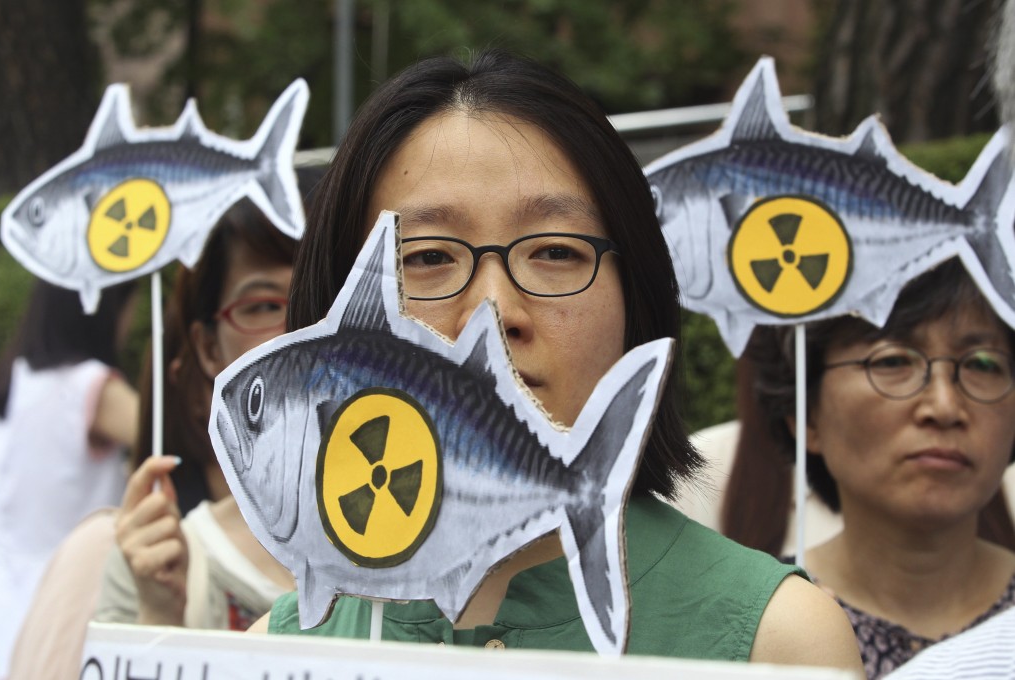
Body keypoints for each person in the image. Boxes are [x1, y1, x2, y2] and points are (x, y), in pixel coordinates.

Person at [248, 49, 862, 670]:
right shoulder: (265, 654)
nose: (491, 312)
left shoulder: (779, 644)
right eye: (428, 257)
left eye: (556, 251)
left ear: (637, 294)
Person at [738, 257, 1015, 679]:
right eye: (893, 361)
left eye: (982, 364)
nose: (944, 406)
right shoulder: (750, 622)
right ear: (806, 416)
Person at [94, 168, 324, 630]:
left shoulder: (442, 540)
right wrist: (160, 611)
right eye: (262, 306)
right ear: (206, 348)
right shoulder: (153, 559)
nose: (297, 331)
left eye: (323, 297)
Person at [0, 278, 137, 678]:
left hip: (5, 598)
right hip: (67, 597)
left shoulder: (14, 379)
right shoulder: (91, 388)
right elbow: (171, 438)